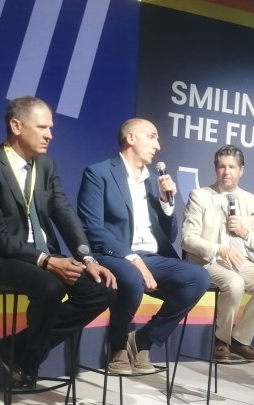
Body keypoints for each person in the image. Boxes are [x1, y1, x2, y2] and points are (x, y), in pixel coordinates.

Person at [0, 96, 117, 388]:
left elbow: (64, 212)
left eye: (51, 128)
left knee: (101, 290)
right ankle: (26, 356)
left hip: (41, 256)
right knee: (50, 286)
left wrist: (88, 259)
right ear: (16, 126)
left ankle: (20, 350)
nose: (50, 135)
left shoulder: (46, 165)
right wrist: (46, 261)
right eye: (42, 127)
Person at [77, 118, 210, 375]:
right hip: (113, 254)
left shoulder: (152, 183)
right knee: (131, 278)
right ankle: (117, 345)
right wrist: (133, 260)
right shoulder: (99, 173)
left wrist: (167, 204)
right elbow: (92, 229)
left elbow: (169, 235)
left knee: (198, 278)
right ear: (131, 138)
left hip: (150, 256)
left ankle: (143, 340)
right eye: (151, 136)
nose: (157, 145)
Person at [181, 145, 254, 361]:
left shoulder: (251, 200)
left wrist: (245, 233)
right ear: (215, 169)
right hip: (207, 261)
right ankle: (221, 341)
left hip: (240, 260)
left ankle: (239, 339)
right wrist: (219, 249)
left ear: (241, 170)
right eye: (222, 167)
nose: (227, 172)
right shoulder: (200, 196)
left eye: (232, 167)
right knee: (235, 283)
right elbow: (187, 239)